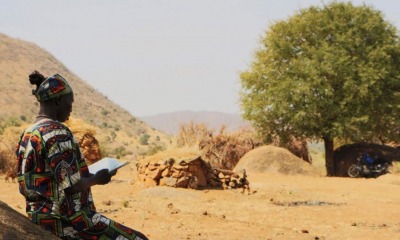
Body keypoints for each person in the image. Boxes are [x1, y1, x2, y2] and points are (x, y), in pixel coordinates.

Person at [16, 71, 148, 240]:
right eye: (69, 102)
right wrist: (98, 178)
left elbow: (49, 177)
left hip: (38, 216)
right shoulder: (56, 133)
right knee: (139, 238)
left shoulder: (28, 133)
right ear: (57, 100)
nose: (71, 108)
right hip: (67, 220)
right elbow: (71, 186)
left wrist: (89, 175)